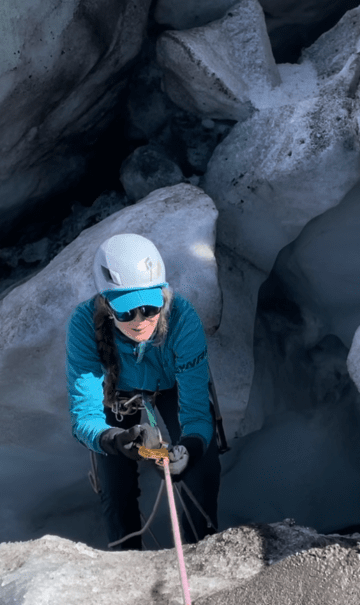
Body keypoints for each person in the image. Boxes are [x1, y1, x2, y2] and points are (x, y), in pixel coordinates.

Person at [66, 232, 221, 550]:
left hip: (170, 385)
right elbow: (86, 416)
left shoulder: (182, 318)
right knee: (115, 485)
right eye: (125, 312)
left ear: (163, 296)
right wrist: (116, 440)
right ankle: (126, 563)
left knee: (201, 467)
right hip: (117, 393)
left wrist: (189, 447)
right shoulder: (84, 325)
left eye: (149, 308)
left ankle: (203, 552)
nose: (139, 322)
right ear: (106, 304)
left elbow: (195, 411)